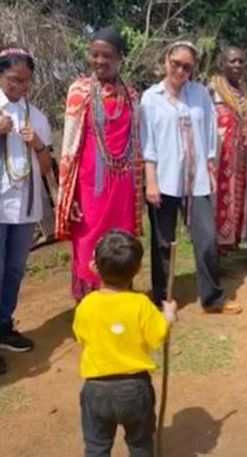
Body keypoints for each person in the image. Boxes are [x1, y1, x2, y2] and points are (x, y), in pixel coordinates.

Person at [139, 41, 242, 314]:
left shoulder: (200, 95)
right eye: (176, 64)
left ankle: (212, 297)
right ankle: (162, 298)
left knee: (207, 238)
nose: (181, 71)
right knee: (162, 242)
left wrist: (210, 165)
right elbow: (147, 144)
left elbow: (210, 133)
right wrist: (150, 180)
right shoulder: (151, 98)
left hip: (197, 181)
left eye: (187, 66)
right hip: (164, 180)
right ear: (166, 61)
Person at [56, 26, 143, 303]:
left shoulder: (132, 94)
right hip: (90, 184)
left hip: (123, 185)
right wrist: (70, 198)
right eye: (95, 55)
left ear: (120, 58)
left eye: (107, 55)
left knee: (121, 241)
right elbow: (69, 146)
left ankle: (119, 296)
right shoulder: (80, 90)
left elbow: (137, 140)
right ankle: (89, 303)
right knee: (88, 241)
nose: (100, 61)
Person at [72, 229, 178, 457]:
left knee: (97, 448)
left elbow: (81, 337)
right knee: (140, 445)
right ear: (138, 270)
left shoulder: (86, 305)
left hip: (96, 390)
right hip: (135, 389)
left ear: (95, 267)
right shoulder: (141, 304)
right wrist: (168, 317)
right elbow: (157, 337)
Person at [0, 47, 54, 374]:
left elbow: (47, 167)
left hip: (24, 208)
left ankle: (4, 326)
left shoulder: (38, 116)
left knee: (15, 270)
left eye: (26, 81)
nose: (20, 87)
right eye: (13, 80)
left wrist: (37, 144)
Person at [208, 46, 247, 255]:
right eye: (232, 61)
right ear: (222, 63)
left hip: (239, 158)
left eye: (241, 61)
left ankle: (225, 245)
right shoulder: (211, 89)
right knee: (217, 201)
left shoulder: (244, 92)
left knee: (234, 200)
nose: (237, 65)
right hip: (218, 157)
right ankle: (213, 249)